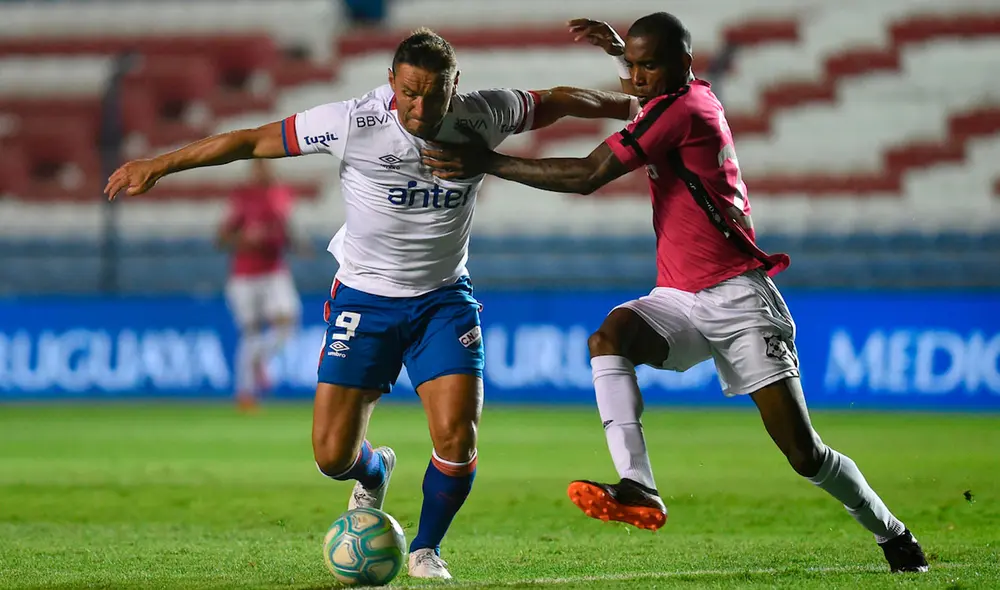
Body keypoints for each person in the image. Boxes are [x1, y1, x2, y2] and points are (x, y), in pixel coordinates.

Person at [104, 28, 638, 580]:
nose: (421, 106)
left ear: (457, 86)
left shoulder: (484, 114)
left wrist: (629, 103)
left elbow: (555, 102)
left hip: (443, 300)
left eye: (435, 94)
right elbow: (249, 141)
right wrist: (159, 165)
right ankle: (374, 469)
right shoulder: (351, 122)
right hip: (364, 299)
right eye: (409, 91)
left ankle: (426, 549)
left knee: (458, 435)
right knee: (332, 455)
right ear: (391, 81)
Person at [420, 13, 929, 574]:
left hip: (739, 298)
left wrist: (488, 162)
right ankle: (639, 486)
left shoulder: (682, 112)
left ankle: (891, 531)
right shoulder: (691, 92)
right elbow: (646, 93)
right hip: (680, 297)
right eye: (631, 65)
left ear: (682, 65)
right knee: (609, 337)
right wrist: (625, 54)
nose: (635, 77)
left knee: (804, 453)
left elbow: (588, 175)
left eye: (648, 65)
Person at [218, 158, 304, 412]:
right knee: (251, 332)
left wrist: (296, 243)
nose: (261, 173)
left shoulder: (281, 194)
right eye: (257, 169)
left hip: (274, 270)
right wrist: (243, 238)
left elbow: (286, 227)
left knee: (288, 322)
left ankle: (258, 360)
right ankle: (245, 393)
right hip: (244, 275)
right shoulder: (243, 197)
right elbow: (222, 237)